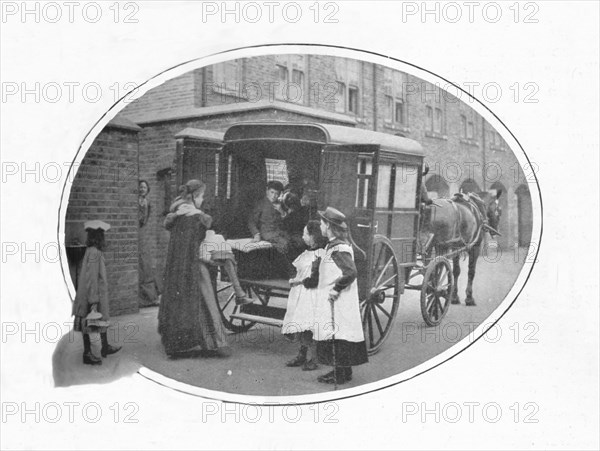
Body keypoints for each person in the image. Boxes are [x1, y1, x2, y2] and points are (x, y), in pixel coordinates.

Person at [159, 179, 227, 358]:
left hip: (176, 267)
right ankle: (206, 341)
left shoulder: (176, 214)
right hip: (191, 265)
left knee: (177, 301)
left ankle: (175, 344)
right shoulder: (197, 217)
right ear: (196, 196)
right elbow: (198, 244)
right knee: (201, 298)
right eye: (202, 196)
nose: (203, 200)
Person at [169, 186, 253, 306]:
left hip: (197, 249)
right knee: (224, 256)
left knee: (226, 255)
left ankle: (239, 293)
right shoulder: (189, 214)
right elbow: (193, 238)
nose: (202, 200)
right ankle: (239, 293)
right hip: (191, 257)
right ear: (193, 197)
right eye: (201, 196)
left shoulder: (189, 211)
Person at [313, 207, 368, 385]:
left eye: (322, 223)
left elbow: (351, 272)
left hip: (340, 301)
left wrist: (337, 288)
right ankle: (344, 371)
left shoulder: (339, 249)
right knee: (340, 333)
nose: (320, 226)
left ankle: (340, 374)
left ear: (328, 226)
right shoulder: (334, 245)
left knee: (339, 334)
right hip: (340, 301)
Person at [72, 220, 121, 365]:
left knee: (99, 321)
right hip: (93, 294)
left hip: (95, 293)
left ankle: (104, 347)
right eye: (102, 235)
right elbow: (91, 279)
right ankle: (87, 354)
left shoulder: (93, 251)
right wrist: (93, 301)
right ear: (98, 237)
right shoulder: (94, 252)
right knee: (90, 323)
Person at [282, 220, 328, 371]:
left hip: (311, 295)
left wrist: (298, 281)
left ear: (314, 237)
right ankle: (302, 355)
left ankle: (314, 358)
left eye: (305, 234)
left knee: (310, 325)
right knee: (301, 324)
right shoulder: (307, 253)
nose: (303, 237)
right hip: (302, 295)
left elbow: (314, 279)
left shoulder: (319, 255)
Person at [248, 180, 295, 276]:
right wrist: (256, 234)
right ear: (267, 191)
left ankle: (290, 270)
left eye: (276, 194)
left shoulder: (280, 204)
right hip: (267, 233)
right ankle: (290, 272)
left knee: (294, 241)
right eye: (272, 192)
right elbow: (251, 221)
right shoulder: (261, 204)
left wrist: (282, 212)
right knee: (284, 244)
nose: (274, 196)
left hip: (280, 232)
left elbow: (287, 222)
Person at [138, 180, 160, 307]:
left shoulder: (147, 202)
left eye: (144, 187)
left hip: (143, 233)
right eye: (140, 187)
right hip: (139, 232)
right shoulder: (139, 202)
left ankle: (150, 296)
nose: (142, 189)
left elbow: (144, 219)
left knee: (146, 263)